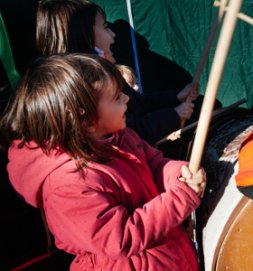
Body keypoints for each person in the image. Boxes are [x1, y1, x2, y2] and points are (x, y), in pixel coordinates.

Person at [1, 54, 206, 270]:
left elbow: (154, 163)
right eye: (117, 97)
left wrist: (179, 174)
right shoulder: (66, 185)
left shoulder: (119, 135)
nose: (127, 99)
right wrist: (181, 197)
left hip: (168, 257)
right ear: (86, 119)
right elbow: (120, 238)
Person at [36, 0, 198, 143]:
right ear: (84, 35)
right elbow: (132, 130)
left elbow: (137, 103)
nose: (113, 35)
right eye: (105, 27)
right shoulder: (91, 85)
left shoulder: (104, 73)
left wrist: (176, 97)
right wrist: (174, 115)